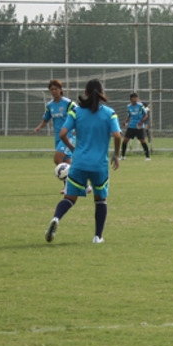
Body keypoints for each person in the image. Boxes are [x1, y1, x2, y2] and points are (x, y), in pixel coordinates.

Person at [44, 78, 121, 244]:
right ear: (102, 94)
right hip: (99, 165)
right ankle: (97, 237)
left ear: (85, 93)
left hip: (78, 163)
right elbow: (117, 135)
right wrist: (116, 154)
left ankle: (56, 219)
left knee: (69, 199)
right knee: (100, 200)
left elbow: (63, 133)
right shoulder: (109, 113)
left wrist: (73, 149)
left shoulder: (76, 112)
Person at [33, 79, 76, 166]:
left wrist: (77, 128)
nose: (54, 91)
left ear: (60, 89)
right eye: (52, 89)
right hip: (57, 136)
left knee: (57, 159)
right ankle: (74, 178)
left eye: (56, 89)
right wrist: (38, 128)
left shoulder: (68, 103)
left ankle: (74, 177)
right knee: (66, 163)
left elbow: (79, 115)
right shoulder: (50, 105)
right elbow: (46, 119)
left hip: (68, 136)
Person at [120, 92, 150, 161]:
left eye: (136, 97)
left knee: (142, 141)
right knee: (125, 140)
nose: (135, 99)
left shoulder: (140, 106)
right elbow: (129, 116)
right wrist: (125, 122)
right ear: (131, 98)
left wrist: (141, 122)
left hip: (139, 127)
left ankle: (148, 157)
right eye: (134, 97)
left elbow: (145, 115)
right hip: (131, 126)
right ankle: (123, 156)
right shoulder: (129, 106)